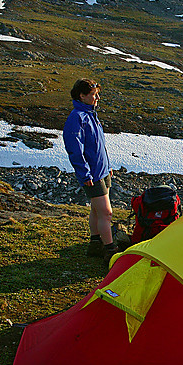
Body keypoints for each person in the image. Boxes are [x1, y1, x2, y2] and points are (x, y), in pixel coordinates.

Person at [63, 78, 116, 262]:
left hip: (101, 171)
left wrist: (107, 166)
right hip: (92, 174)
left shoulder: (91, 114)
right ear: (82, 96)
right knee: (106, 213)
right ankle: (110, 250)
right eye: (93, 95)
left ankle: (95, 244)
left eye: (97, 94)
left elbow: (98, 145)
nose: (97, 98)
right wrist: (84, 173)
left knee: (96, 210)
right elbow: (74, 149)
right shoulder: (76, 118)